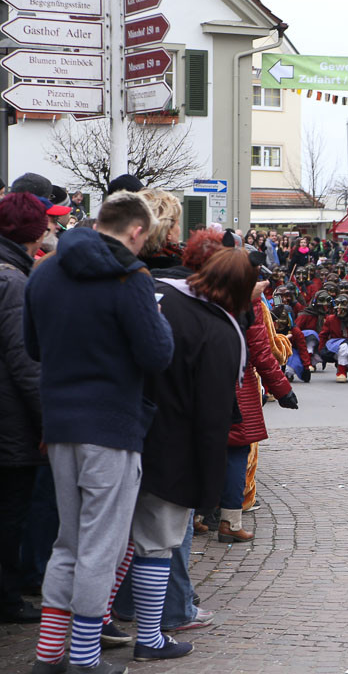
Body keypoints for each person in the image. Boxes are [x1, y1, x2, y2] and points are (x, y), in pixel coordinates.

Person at [25, 193, 175, 674]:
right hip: (111, 424)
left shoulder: (45, 270)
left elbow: (32, 346)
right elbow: (156, 355)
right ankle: (85, 659)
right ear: (136, 231)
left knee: (68, 543)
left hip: (60, 424)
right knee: (100, 548)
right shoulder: (130, 277)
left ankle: (49, 656)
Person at [118, 248, 250, 662]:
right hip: (170, 446)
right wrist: (209, 490)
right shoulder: (217, 327)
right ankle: (151, 636)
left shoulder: (155, 294)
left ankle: (95, 631)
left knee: (110, 541)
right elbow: (213, 413)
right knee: (158, 543)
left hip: (117, 431)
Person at [0, 192, 49, 625]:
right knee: (11, 516)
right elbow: (25, 361)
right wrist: (45, 420)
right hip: (10, 422)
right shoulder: (14, 281)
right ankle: (7, 599)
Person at [221, 288, 297, 543]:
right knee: (237, 449)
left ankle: (200, 515)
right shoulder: (247, 299)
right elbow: (263, 350)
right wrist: (282, 389)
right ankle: (230, 520)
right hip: (236, 382)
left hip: (197, 379)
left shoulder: (195, 288)